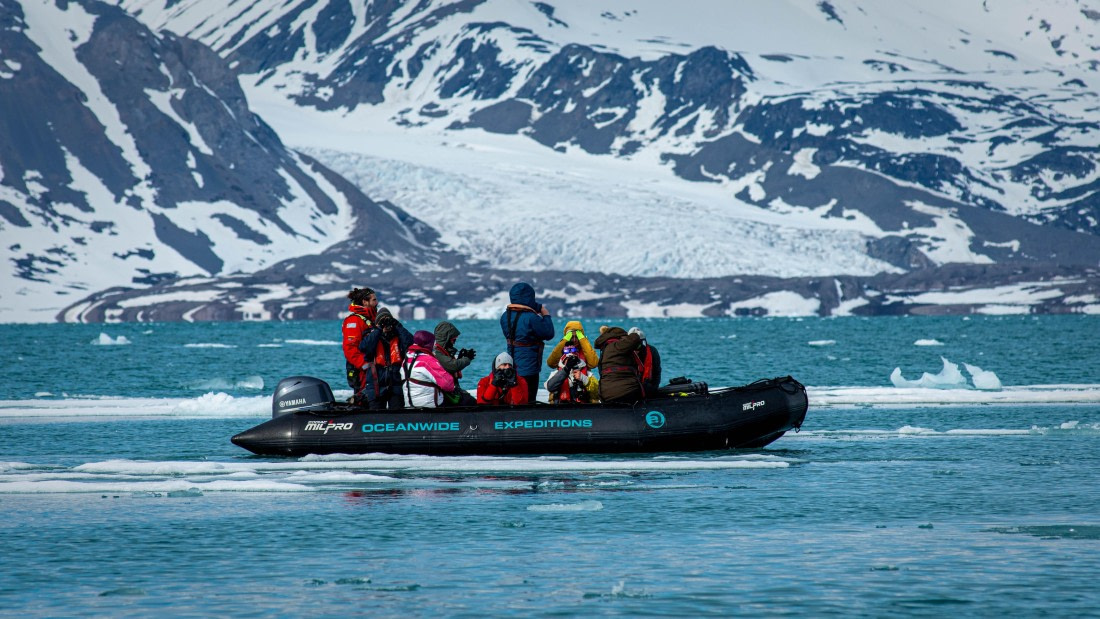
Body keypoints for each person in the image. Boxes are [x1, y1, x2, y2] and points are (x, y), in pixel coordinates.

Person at [500, 282, 554, 402]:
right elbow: (549, 333)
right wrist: (546, 315)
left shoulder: (505, 316)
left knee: (514, 396)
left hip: (511, 363)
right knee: (529, 398)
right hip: (529, 366)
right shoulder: (531, 318)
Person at [359, 307, 413, 409]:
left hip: (396, 385)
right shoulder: (371, 335)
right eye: (382, 321)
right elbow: (364, 347)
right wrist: (378, 329)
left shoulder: (399, 336)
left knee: (397, 415)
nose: (386, 325)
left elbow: (410, 344)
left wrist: (398, 326)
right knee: (375, 416)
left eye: (388, 321)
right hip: (376, 385)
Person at [341, 287, 378, 405]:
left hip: (374, 369)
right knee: (364, 399)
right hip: (362, 370)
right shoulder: (354, 321)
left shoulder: (371, 320)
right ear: (364, 302)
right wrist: (365, 365)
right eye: (374, 300)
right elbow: (350, 348)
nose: (376, 303)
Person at [402, 330, 455, 408]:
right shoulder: (427, 360)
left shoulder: (406, 359)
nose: (434, 346)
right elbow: (448, 384)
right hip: (429, 405)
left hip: (409, 404)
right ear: (428, 344)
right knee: (466, 400)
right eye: (433, 343)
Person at [593, 325, 645, 404]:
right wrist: (634, 333)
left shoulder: (605, 349)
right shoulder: (618, 345)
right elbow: (634, 338)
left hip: (606, 394)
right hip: (627, 391)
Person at [432, 320, 478, 406]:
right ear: (446, 338)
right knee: (471, 402)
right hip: (445, 393)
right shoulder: (437, 353)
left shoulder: (441, 351)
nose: (454, 342)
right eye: (453, 340)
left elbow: (450, 363)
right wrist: (467, 359)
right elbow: (452, 365)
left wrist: (461, 357)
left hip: (449, 390)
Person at [628, 326, 662, 397]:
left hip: (648, 388)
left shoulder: (652, 351)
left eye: (637, 346)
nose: (636, 350)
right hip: (630, 388)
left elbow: (657, 372)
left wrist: (653, 389)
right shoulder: (625, 353)